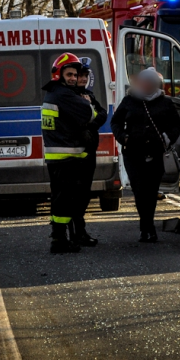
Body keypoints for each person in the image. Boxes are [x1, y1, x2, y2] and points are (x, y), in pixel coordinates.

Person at [111, 67, 180, 243]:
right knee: (139, 190)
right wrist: (124, 138)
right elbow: (116, 122)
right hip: (133, 153)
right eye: (144, 81)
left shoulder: (165, 102)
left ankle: (147, 227)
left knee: (151, 191)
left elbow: (176, 125)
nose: (146, 85)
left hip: (156, 153)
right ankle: (146, 226)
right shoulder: (129, 100)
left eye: (150, 82)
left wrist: (167, 138)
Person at [42, 53, 102, 254]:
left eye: (75, 75)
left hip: (58, 156)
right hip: (66, 157)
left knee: (60, 199)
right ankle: (59, 241)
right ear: (58, 74)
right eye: (69, 74)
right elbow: (89, 114)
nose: (74, 79)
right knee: (65, 200)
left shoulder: (54, 93)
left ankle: (59, 236)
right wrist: (88, 104)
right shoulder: (64, 94)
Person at [71, 61, 107, 247]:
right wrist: (88, 111)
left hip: (89, 149)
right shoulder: (70, 96)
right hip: (76, 152)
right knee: (75, 194)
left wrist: (92, 123)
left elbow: (102, 113)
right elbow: (80, 119)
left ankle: (80, 231)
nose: (83, 79)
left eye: (85, 76)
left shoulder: (89, 95)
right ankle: (75, 233)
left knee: (84, 193)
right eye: (79, 75)